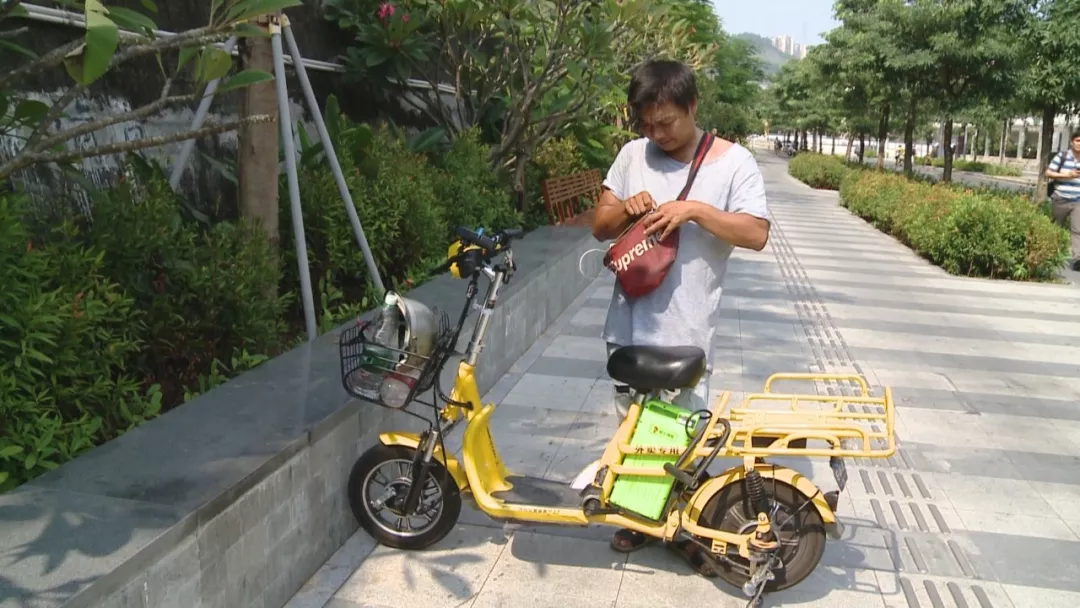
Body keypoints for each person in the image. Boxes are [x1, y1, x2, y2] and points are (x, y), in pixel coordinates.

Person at [590, 59, 771, 576]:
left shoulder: (734, 163)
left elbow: (756, 233)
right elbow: (599, 225)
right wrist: (626, 208)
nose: (657, 134)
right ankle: (639, 518)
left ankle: (685, 525)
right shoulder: (632, 155)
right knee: (632, 429)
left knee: (682, 434)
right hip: (628, 324)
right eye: (647, 124)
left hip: (688, 328)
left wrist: (693, 211)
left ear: (692, 106)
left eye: (666, 122)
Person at [1046, 131, 1080, 271]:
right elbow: (1048, 173)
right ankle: (1049, 254)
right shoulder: (1062, 156)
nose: (1079, 144)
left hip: (1078, 200)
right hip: (1060, 198)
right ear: (1072, 142)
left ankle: (1077, 259)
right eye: (1078, 141)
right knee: (1056, 228)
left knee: (1078, 230)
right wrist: (1068, 175)